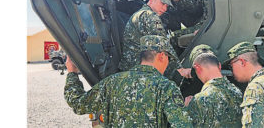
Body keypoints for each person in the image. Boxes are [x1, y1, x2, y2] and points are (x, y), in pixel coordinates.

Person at [64, 35, 193, 127]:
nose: (168, 62)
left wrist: (72, 73)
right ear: (161, 56)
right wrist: (185, 110)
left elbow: (77, 103)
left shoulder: (112, 82)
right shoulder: (167, 88)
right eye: (168, 58)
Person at [119, 0, 191, 78]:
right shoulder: (150, 16)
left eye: (167, 6)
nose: (165, 9)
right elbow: (163, 44)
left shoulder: (141, 13)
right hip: (139, 71)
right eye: (162, 3)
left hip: (130, 68)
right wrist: (179, 69)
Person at [184, 44, 243, 127]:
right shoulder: (237, 92)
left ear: (197, 68)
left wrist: (186, 109)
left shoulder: (199, 100)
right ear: (219, 66)